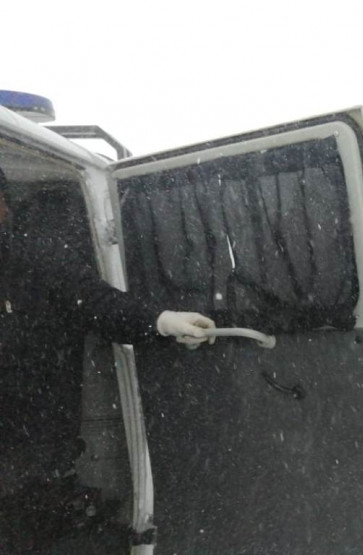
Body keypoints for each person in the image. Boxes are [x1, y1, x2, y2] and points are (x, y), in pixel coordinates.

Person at [0, 169, 217, 552]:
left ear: (5, 205)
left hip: (34, 458)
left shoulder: (35, 258)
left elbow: (98, 303)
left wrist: (160, 321)